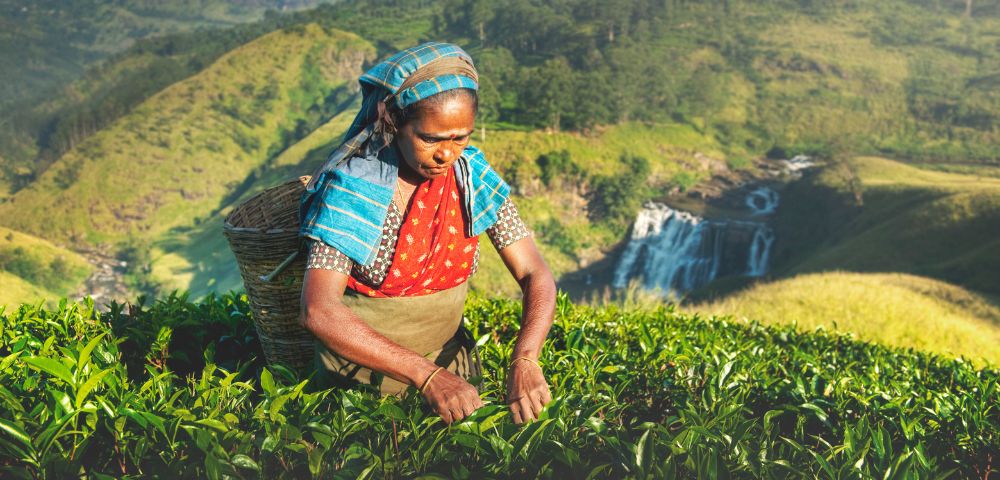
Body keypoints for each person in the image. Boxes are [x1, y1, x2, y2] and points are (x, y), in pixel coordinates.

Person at [297, 42, 556, 425]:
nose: (446, 154)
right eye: (430, 139)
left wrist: (526, 358)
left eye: (460, 138)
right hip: (358, 387)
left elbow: (536, 274)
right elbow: (318, 310)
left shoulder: (472, 176)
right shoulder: (354, 189)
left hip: (455, 379)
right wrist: (426, 375)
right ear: (395, 122)